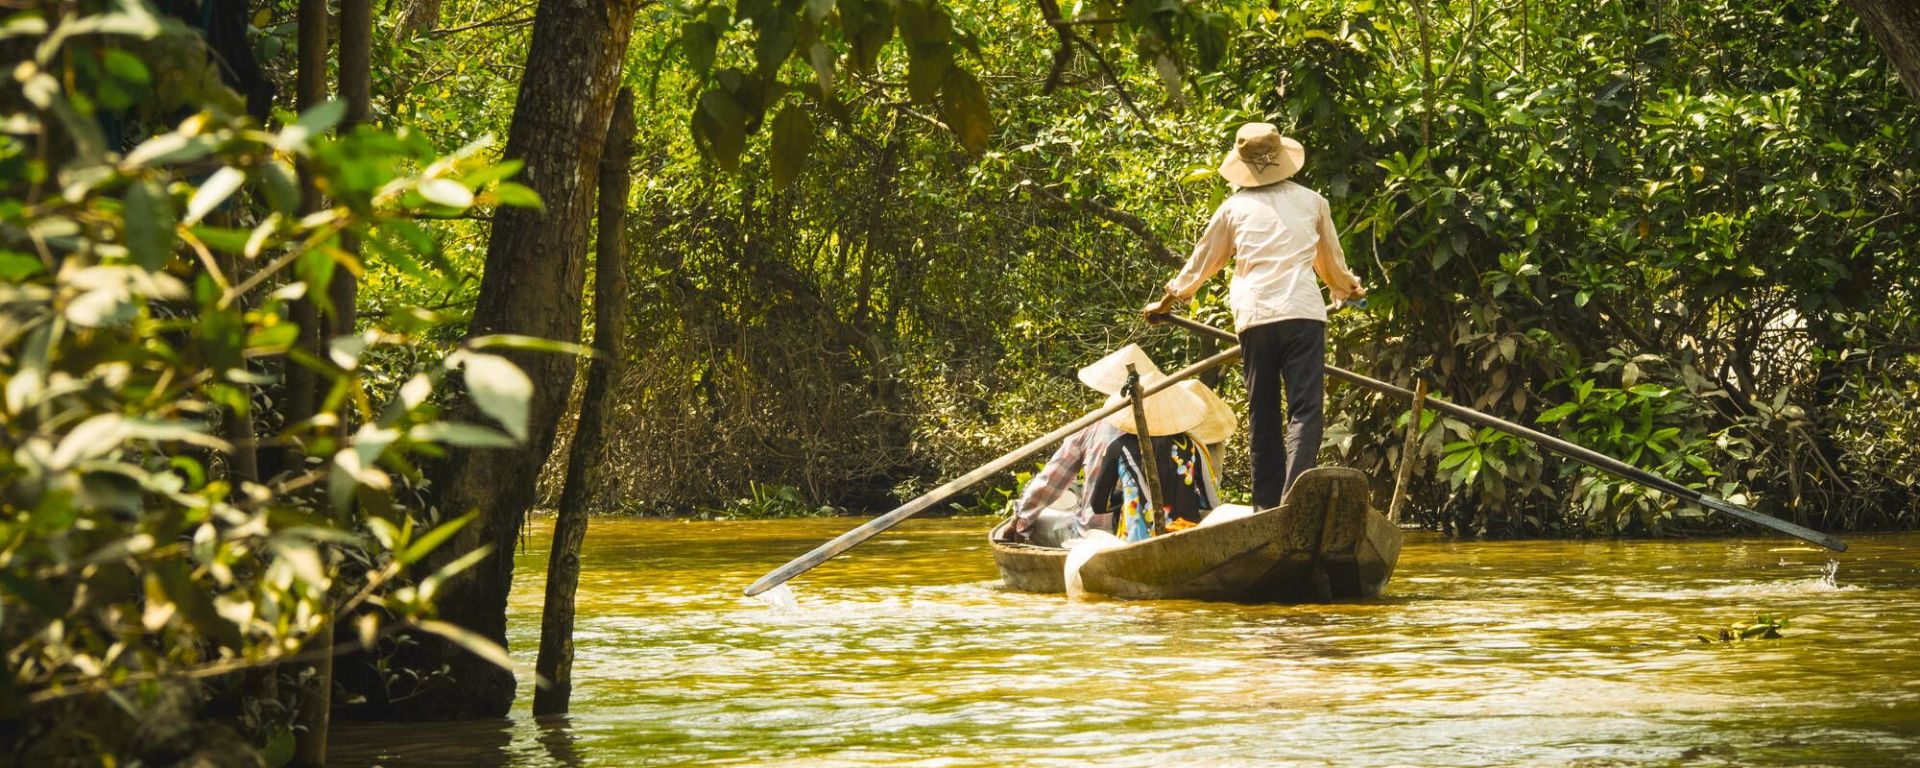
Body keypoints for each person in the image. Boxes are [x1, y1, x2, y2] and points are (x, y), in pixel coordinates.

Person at [1143, 123, 1366, 509]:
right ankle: (1295, 499)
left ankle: (1267, 505)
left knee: (1262, 410)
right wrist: (1348, 290)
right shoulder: (1313, 202)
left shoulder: (1234, 209)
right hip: (1302, 314)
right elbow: (1330, 264)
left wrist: (1170, 299)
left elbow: (1203, 261)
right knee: (1305, 410)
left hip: (1257, 316)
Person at [1003, 345, 1233, 544]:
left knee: (1040, 520)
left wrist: (1020, 521)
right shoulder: (1190, 443)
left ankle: (1022, 527)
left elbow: (1073, 493)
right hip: (1178, 531)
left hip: (1106, 533)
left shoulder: (1106, 436)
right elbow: (1212, 503)